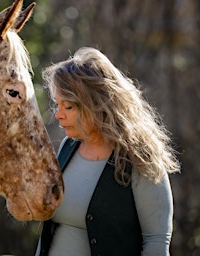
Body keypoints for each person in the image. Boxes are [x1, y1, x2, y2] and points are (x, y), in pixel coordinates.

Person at [35, 47, 180, 256]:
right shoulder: (68, 147)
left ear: (95, 105)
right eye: (57, 105)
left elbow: (156, 240)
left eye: (67, 107)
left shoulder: (141, 159)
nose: (58, 115)